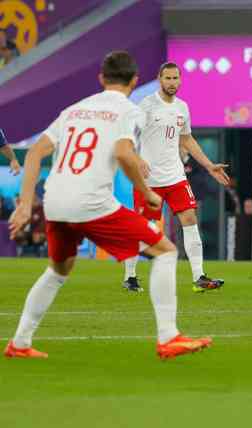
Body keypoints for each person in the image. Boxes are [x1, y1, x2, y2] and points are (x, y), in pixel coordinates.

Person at [4, 51, 211, 359]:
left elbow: (34, 153)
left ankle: (19, 342)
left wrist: (23, 204)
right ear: (135, 81)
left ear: (101, 78)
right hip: (91, 203)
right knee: (166, 251)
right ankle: (169, 337)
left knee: (59, 270)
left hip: (56, 202)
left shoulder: (74, 110)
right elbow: (126, 154)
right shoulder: (128, 110)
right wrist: (146, 191)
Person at [122, 62, 229, 293]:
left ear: (180, 81)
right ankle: (130, 276)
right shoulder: (147, 105)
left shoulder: (182, 107)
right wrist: (137, 159)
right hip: (149, 180)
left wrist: (209, 165)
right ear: (160, 79)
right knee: (144, 227)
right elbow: (128, 137)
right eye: (167, 78)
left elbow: (187, 139)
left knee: (190, 219)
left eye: (175, 78)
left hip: (175, 177)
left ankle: (199, 276)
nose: (172, 82)